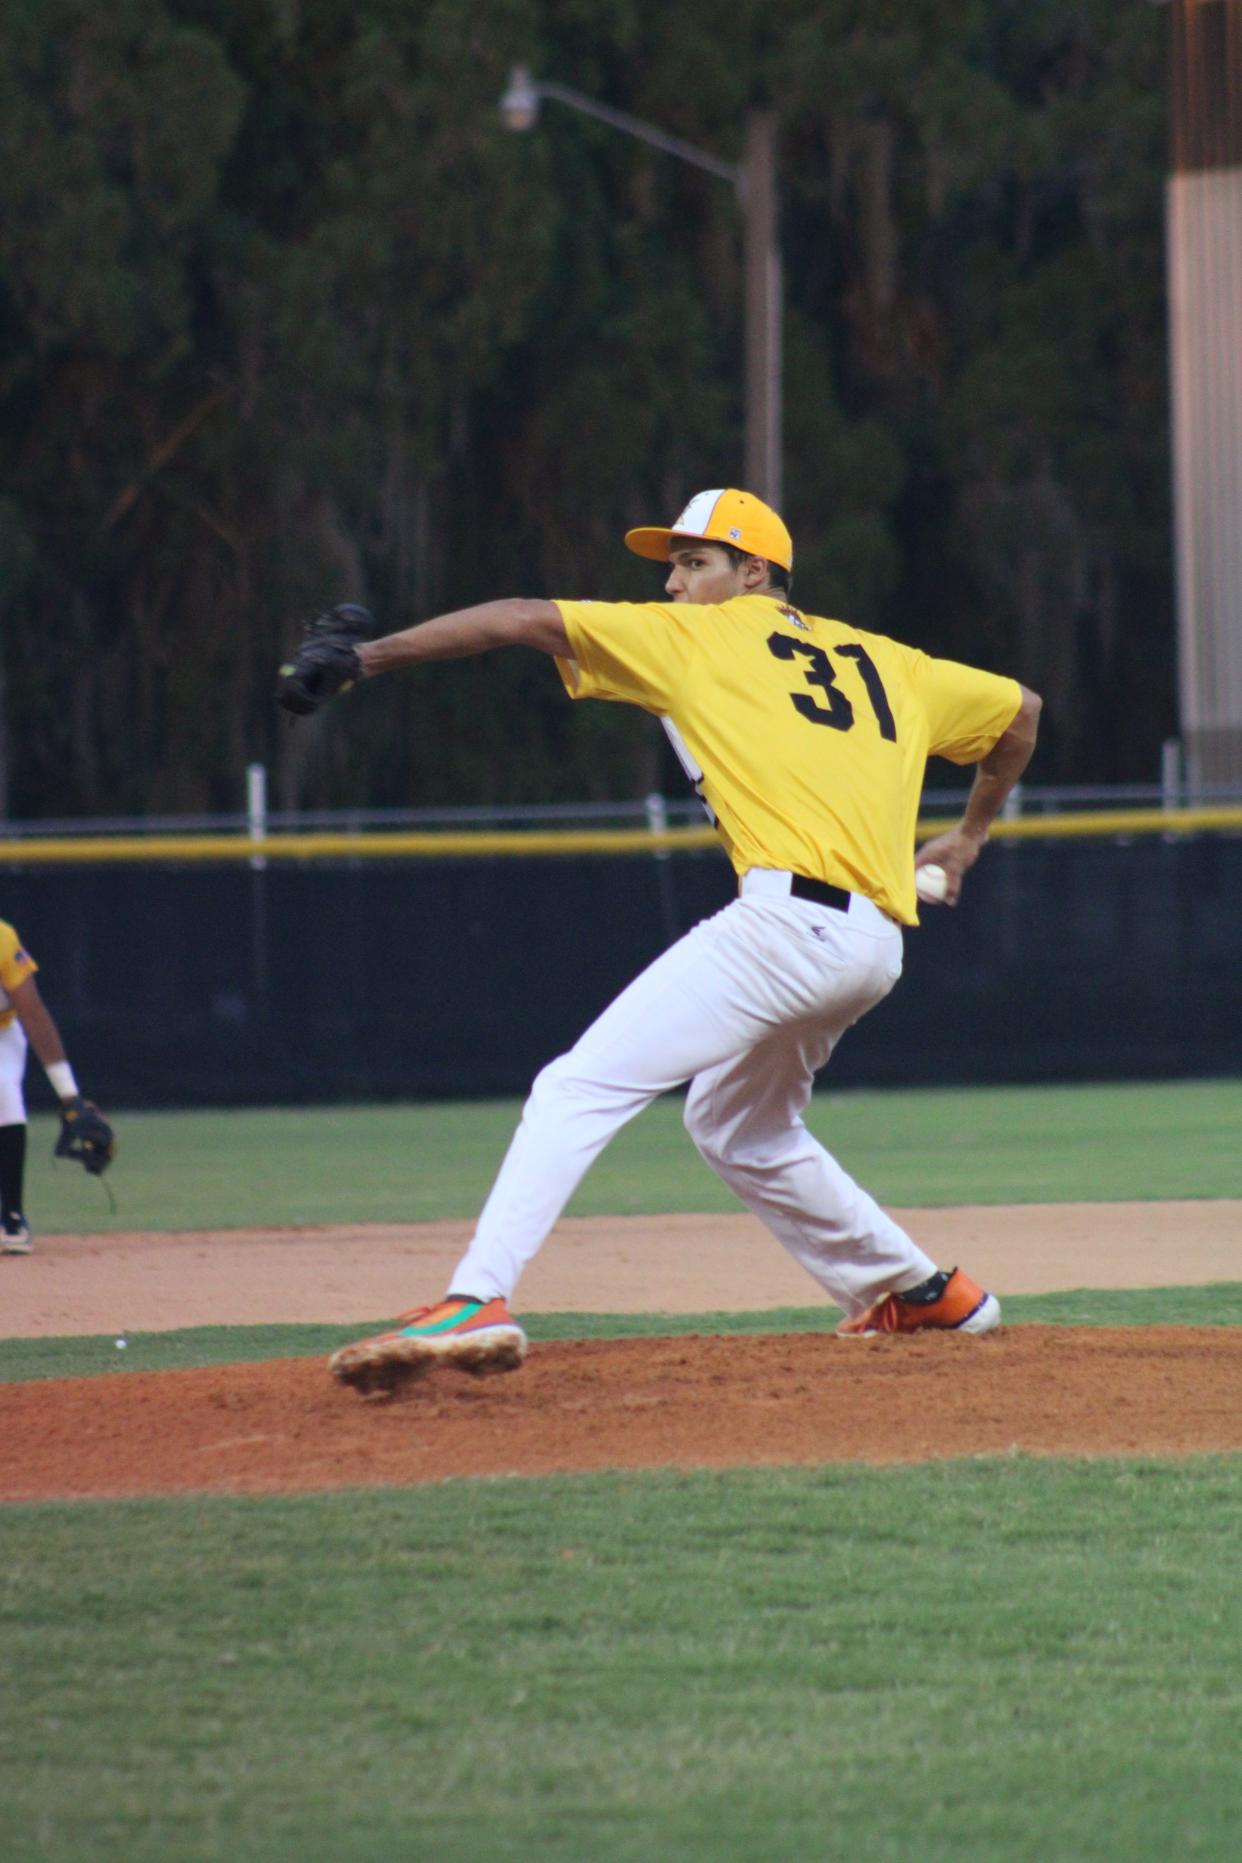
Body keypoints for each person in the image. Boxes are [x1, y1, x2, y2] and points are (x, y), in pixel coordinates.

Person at [276, 488, 1041, 1392]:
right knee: (734, 1121)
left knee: (577, 1083)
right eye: (671, 567)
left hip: (787, 925)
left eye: (694, 562)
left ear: (753, 571)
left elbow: (521, 618)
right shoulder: (887, 661)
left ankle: (476, 1296)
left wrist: (364, 657)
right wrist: (968, 836)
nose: (674, 585)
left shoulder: (701, 637)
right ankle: (918, 1290)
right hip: (874, 946)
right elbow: (1022, 711)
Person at [0, 917, 112, 1255]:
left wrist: (69, 1095)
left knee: (4, 1092)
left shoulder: (1, 938)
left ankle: (11, 1218)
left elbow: (32, 1012)